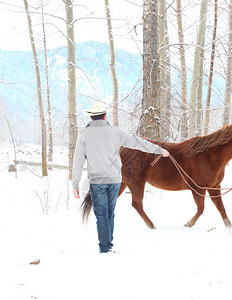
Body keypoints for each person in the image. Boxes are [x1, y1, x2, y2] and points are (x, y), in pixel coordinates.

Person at [72, 101, 169, 253]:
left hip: (97, 181)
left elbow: (78, 161)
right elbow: (137, 142)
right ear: (104, 116)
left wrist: (75, 184)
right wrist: (159, 150)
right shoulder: (116, 132)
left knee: (102, 215)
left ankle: (106, 248)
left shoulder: (84, 135)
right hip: (114, 180)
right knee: (110, 213)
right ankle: (108, 245)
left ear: (91, 117)